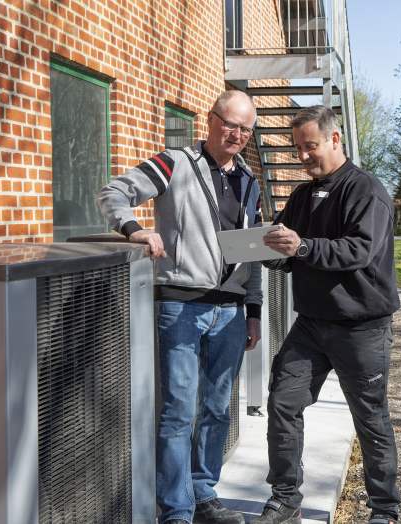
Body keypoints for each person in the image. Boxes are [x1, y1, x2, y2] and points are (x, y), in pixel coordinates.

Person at [98, 90, 263, 524]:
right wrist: (133, 228)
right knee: (177, 410)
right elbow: (113, 193)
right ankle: (176, 510)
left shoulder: (249, 181)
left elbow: (254, 250)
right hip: (181, 306)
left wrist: (255, 311)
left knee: (215, 408)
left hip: (230, 311)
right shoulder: (175, 162)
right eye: (231, 123)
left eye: (246, 128)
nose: (238, 134)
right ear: (210, 121)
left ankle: (204, 492)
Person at [253, 105, 401, 524]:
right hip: (312, 323)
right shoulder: (302, 196)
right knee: (283, 402)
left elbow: (358, 251)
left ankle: (385, 510)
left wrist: (300, 248)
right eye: (298, 148)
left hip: (362, 327)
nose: (303, 156)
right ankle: (285, 499)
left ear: (335, 140)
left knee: (369, 417)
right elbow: (289, 248)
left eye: (310, 146)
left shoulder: (366, 191)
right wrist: (270, 252)